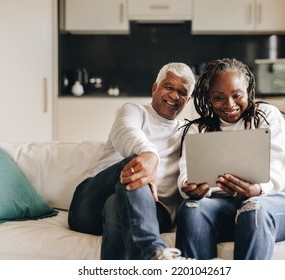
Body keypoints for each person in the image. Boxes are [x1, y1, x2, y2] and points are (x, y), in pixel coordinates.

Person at [175, 58, 285, 260]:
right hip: (221, 206)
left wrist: (257, 190)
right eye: (219, 97)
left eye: (237, 95)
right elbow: (186, 172)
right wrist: (190, 187)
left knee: (254, 208)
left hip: (271, 203)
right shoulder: (198, 129)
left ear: (248, 92)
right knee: (192, 208)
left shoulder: (265, 116)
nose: (229, 104)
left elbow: (278, 170)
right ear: (208, 97)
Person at [68, 62, 196, 260]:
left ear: (187, 101)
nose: (173, 95)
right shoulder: (134, 110)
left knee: (116, 205)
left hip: (152, 211)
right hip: (91, 202)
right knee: (135, 162)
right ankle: (153, 248)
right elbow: (126, 132)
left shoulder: (189, 131)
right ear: (155, 87)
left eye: (181, 92)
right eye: (168, 87)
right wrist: (149, 155)